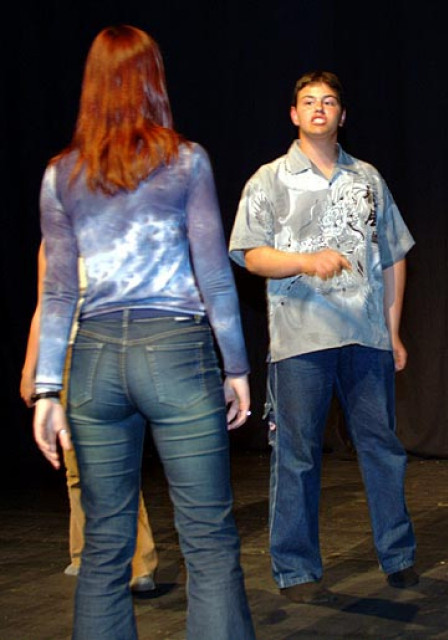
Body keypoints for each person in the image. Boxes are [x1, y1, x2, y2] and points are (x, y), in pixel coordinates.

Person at [32, 25, 255, 639]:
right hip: (177, 353)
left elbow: (58, 292)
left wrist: (47, 389)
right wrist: (237, 368)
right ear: (154, 80)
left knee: (105, 544)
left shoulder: (60, 175)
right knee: (206, 535)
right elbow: (214, 276)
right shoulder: (186, 161)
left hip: (94, 361)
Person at [229, 70, 418, 604]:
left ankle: (398, 555)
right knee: (297, 454)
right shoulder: (270, 179)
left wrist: (393, 330)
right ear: (294, 114)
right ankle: (295, 569)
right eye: (308, 101)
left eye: (329, 101)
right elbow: (250, 254)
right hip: (300, 340)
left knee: (382, 447)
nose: (318, 108)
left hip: (366, 336)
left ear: (342, 115)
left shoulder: (368, 178)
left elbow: (393, 256)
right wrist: (305, 261)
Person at [21, 244, 158, 590]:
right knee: (75, 463)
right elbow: (46, 307)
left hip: (115, 351)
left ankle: (139, 565)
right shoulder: (53, 240)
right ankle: (85, 554)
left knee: (117, 462)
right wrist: (30, 369)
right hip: (69, 354)